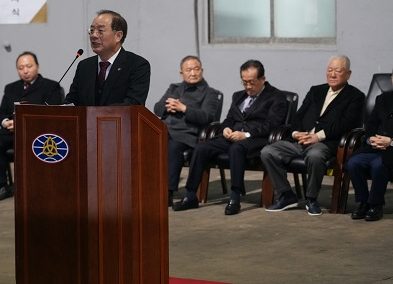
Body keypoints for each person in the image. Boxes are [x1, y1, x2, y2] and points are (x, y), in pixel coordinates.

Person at [172, 60, 287, 215]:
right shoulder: (238, 96)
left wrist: (245, 134)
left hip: (256, 139)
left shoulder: (276, 97)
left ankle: (235, 197)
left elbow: (272, 124)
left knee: (236, 148)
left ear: (262, 79)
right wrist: (225, 128)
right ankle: (191, 195)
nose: (248, 87)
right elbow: (229, 119)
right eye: (244, 82)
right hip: (232, 135)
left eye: (252, 83)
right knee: (201, 148)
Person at [261, 55, 365, 216]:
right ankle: (286, 195)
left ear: (348, 74)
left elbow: (347, 124)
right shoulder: (316, 90)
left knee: (315, 156)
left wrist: (318, 136)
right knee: (268, 152)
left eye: (338, 71)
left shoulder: (355, 96)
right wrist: (296, 133)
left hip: (325, 143)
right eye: (330, 70)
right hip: (300, 141)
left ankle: (311, 198)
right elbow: (298, 116)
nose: (332, 74)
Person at [0, 51, 62, 201]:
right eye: (21, 68)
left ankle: (39, 187)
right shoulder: (11, 88)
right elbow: (1, 114)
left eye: (29, 66)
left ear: (37, 67)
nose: (25, 71)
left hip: (37, 132)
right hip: (12, 132)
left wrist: (23, 122)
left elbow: (55, 113)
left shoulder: (51, 86)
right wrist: (4, 122)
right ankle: (3, 186)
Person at [153, 55, 219, 206]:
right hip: (165, 130)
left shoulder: (210, 93)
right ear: (181, 73)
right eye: (188, 70)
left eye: (196, 69)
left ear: (202, 71)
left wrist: (184, 108)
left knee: (173, 147)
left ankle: (167, 193)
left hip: (187, 134)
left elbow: (206, 117)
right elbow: (157, 109)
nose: (193, 73)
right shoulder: (174, 88)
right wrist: (166, 106)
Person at [64, 10, 150, 106]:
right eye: (91, 30)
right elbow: (71, 102)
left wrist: (96, 114)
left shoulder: (137, 65)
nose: (93, 35)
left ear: (118, 36)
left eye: (100, 31)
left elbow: (133, 104)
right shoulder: (84, 66)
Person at [345, 72, 393, 221]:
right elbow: (371, 123)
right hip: (375, 146)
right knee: (354, 162)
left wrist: (390, 141)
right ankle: (363, 202)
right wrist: (371, 138)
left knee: (380, 165)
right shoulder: (383, 99)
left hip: (391, 148)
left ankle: (376, 205)